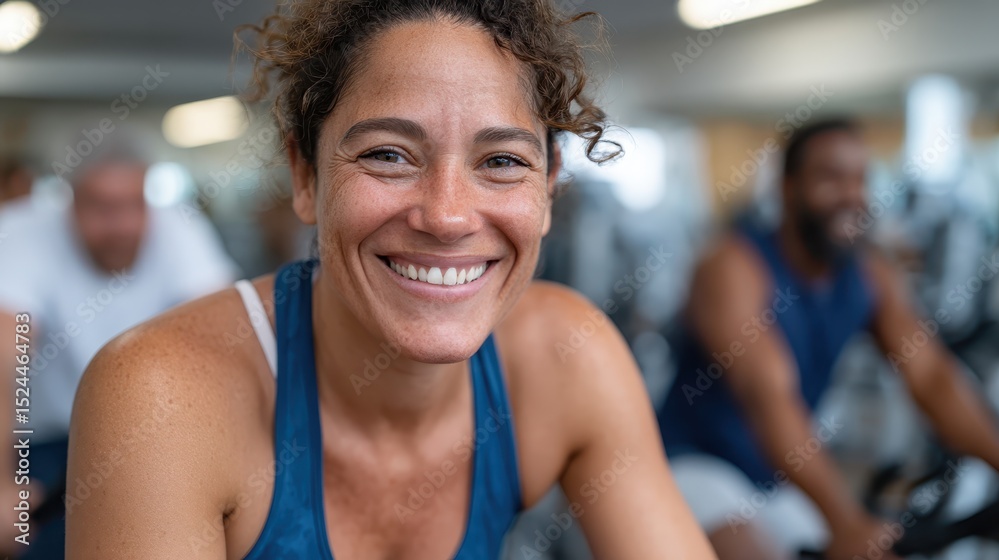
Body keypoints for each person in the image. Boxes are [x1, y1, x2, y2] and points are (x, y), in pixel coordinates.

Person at [66, 1, 716, 559]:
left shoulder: (568, 357)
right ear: (304, 176)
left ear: (547, 190)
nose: (448, 215)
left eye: (501, 160)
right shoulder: (163, 392)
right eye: (387, 154)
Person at [657, 119, 999, 560]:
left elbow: (932, 377)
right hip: (695, 463)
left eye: (859, 179)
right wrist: (846, 522)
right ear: (787, 187)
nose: (851, 195)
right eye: (830, 178)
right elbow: (769, 396)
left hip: (774, 476)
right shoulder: (732, 267)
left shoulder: (871, 274)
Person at [0, 140, 237, 559]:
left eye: (133, 204)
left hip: (149, 437)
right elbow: (6, 357)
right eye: (102, 207)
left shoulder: (178, 228)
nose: (122, 224)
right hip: (41, 444)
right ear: (70, 201)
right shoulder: (22, 231)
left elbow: (223, 342)